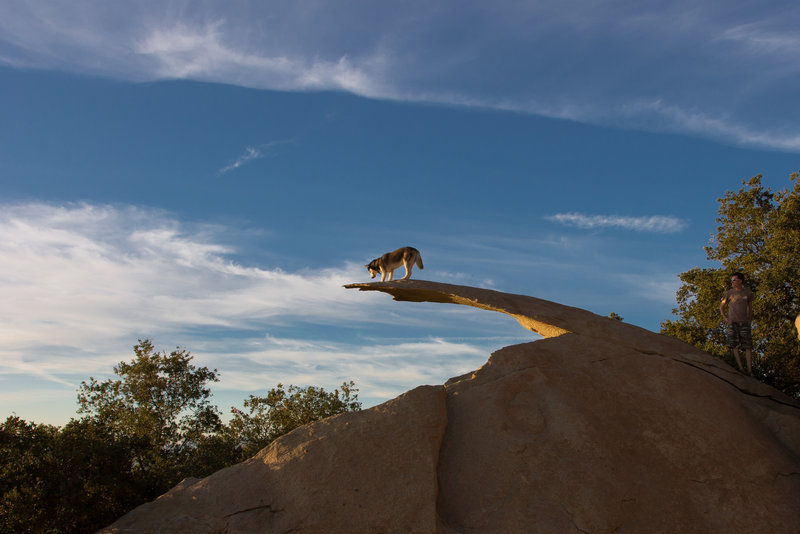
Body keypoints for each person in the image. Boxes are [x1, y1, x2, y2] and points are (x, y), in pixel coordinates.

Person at [720, 272, 755, 375]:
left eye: (734, 280)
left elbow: (750, 307)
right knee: (735, 345)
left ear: (740, 281)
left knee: (748, 346)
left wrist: (750, 319)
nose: (732, 282)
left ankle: (750, 370)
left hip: (744, 322)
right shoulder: (729, 293)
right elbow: (721, 306)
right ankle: (741, 369)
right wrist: (726, 318)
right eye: (732, 280)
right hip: (733, 322)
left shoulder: (748, 293)